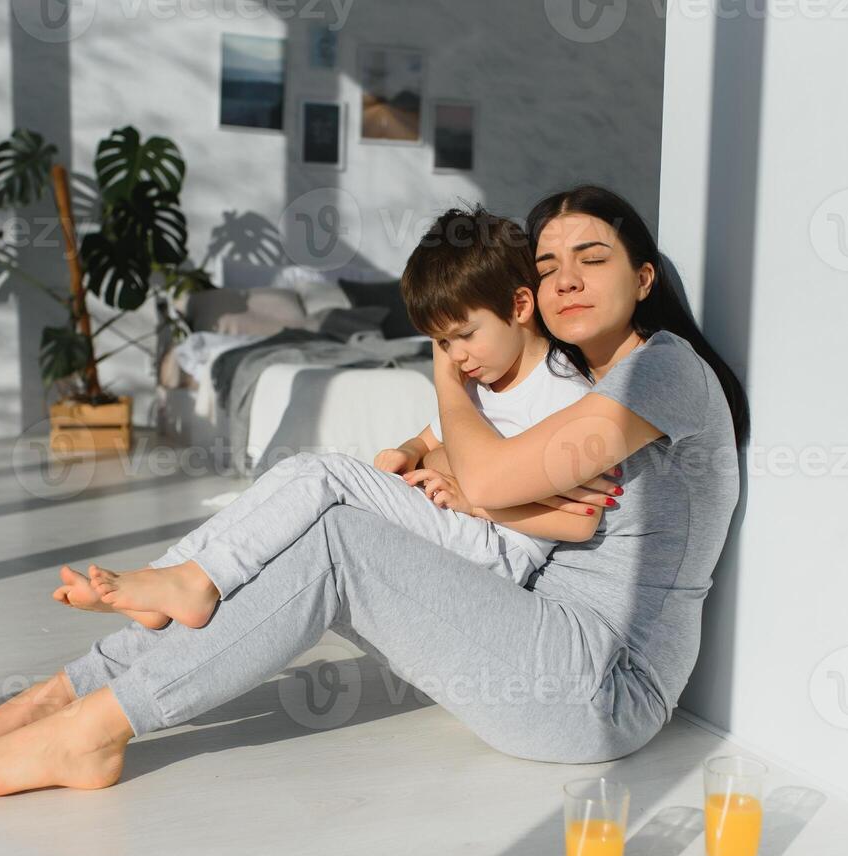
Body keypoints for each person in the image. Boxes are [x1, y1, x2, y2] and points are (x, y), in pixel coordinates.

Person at [0, 184, 749, 797]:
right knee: (315, 528)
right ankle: (70, 692)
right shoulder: (588, 381)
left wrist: (440, 368)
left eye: (592, 259)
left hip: (602, 687)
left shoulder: (661, 369)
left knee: (338, 532)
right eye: (549, 262)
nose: (566, 278)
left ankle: (94, 728)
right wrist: (457, 462)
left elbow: (490, 475)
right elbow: (491, 474)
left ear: (643, 279)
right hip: (543, 646)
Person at [74, 206, 610, 632]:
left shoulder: (562, 391)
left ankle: (194, 582)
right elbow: (435, 432)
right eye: (442, 343)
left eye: (465, 336)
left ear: (519, 306)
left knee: (321, 475)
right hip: (457, 524)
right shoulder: (486, 378)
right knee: (299, 478)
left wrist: (474, 500)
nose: (456, 357)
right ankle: (172, 572)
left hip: (495, 550)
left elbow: (579, 520)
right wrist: (407, 451)